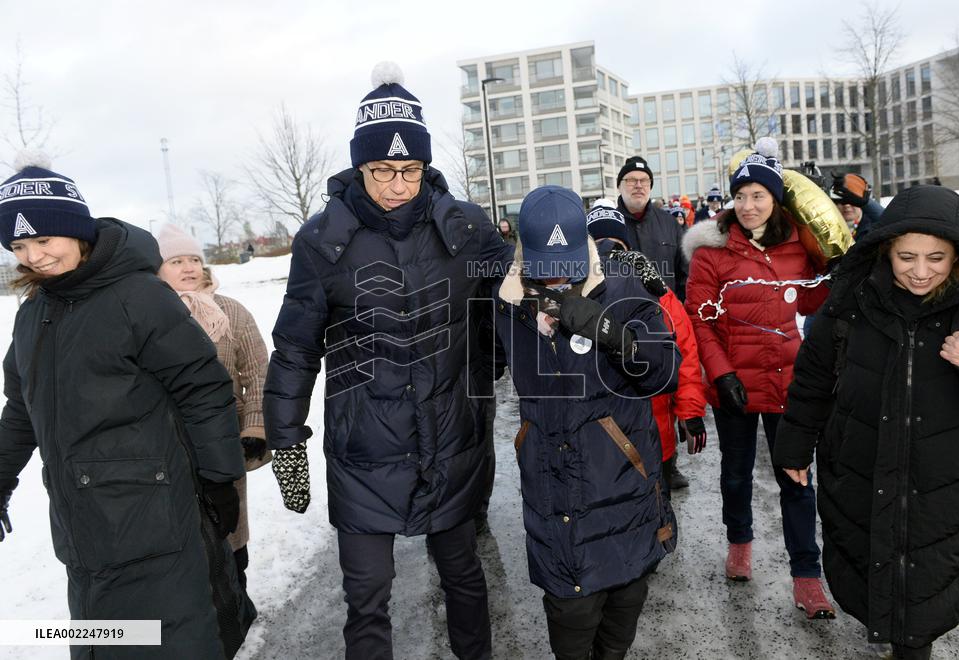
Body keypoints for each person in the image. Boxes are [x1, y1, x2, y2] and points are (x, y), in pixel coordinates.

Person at [263, 62, 509, 660]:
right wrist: (285, 438)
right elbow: (296, 345)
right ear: (359, 167)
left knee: (463, 577)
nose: (397, 185)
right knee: (367, 595)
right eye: (382, 171)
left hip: (451, 438)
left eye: (410, 170)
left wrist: (495, 363)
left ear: (425, 167)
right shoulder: (323, 241)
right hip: (363, 448)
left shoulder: (466, 228)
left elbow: (508, 303)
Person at [0, 156, 255, 659]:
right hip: (83, 528)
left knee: (170, 642)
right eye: (20, 246)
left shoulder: (138, 296)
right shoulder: (33, 315)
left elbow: (201, 387)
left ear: (77, 232)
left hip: (158, 520)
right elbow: (21, 409)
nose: (35, 256)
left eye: (44, 240)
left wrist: (220, 478)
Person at [774, 185, 959, 659]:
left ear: (957, 255)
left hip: (947, 488)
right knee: (871, 575)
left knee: (923, 597)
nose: (921, 271)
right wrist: (795, 444)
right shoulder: (850, 308)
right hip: (862, 473)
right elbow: (812, 379)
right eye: (907, 257)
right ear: (886, 251)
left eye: (936, 258)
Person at [493, 185, 679, 660]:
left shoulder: (623, 283)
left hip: (625, 491)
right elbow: (479, 365)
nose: (557, 278)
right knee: (572, 631)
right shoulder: (505, 301)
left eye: (568, 264)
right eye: (545, 267)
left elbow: (663, 371)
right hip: (556, 501)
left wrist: (610, 332)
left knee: (619, 629)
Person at [682, 137, 835, 619]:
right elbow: (699, 320)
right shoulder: (712, 251)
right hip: (735, 387)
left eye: (758, 196)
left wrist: (836, 275)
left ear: (776, 199)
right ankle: (739, 542)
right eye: (741, 196)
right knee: (735, 473)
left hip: (787, 383)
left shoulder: (797, 248)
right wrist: (721, 373)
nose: (747, 206)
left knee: (796, 478)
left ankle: (807, 577)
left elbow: (810, 302)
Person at [157, 223, 271, 590]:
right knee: (180, 546)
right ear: (156, 269)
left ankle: (234, 613)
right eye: (176, 261)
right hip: (166, 449)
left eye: (194, 259)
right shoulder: (146, 315)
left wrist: (254, 429)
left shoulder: (230, 312)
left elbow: (258, 372)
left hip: (224, 443)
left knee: (230, 535)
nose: (189, 267)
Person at [585, 201, 706, 495]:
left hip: (655, 432)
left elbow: (685, 355)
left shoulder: (656, 292)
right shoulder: (576, 294)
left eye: (614, 244)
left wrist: (690, 412)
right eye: (598, 244)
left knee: (656, 513)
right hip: (595, 437)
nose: (607, 252)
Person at [616, 156, 688, 300]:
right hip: (624, 317)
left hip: (667, 314)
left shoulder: (669, 223)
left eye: (644, 180)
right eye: (631, 180)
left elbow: (685, 274)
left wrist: (679, 308)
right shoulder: (610, 226)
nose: (638, 185)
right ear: (619, 186)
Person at [829, 172, 883, 240]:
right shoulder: (828, 229)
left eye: (852, 201)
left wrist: (866, 202)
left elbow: (889, 221)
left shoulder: (874, 228)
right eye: (842, 201)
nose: (847, 205)